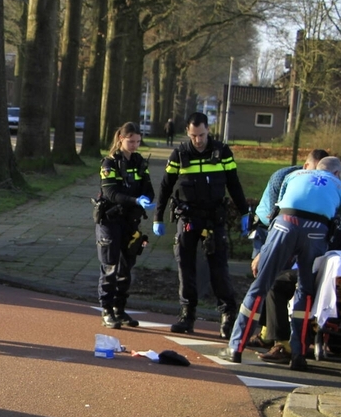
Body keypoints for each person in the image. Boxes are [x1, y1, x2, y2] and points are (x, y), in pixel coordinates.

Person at [221, 157, 341, 370]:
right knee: (305, 291)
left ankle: (235, 347)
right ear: (337, 174)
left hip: (285, 225)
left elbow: (277, 208)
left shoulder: (293, 175)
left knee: (260, 286)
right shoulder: (339, 186)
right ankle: (298, 354)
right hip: (316, 232)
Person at [154, 112, 249, 337]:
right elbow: (166, 186)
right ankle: (187, 316)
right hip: (188, 218)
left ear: (209, 130)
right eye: (194, 135)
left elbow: (233, 182)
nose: (198, 140)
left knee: (219, 267)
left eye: (202, 135)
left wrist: (245, 212)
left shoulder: (221, 152)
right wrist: (158, 217)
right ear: (188, 132)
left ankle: (227, 317)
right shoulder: (179, 154)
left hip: (214, 218)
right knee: (185, 266)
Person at [246, 148, 333, 351]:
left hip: (300, 231)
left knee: (280, 280)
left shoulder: (325, 184)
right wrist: (264, 252)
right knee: (266, 274)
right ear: (306, 166)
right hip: (269, 229)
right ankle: (270, 333)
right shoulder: (282, 178)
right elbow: (275, 216)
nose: (317, 178)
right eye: (314, 170)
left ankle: (276, 334)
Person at [94, 122, 156, 328]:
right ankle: (106, 310)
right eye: (131, 141)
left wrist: (146, 198)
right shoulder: (109, 163)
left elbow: (148, 188)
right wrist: (135, 200)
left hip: (130, 222)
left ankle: (120, 310)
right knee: (110, 266)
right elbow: (111, 193)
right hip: (110, 221)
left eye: (138, 141)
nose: (135, 146)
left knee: (126, 268)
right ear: (121, 139)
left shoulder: (139, 162)